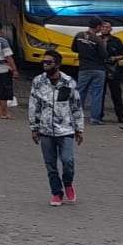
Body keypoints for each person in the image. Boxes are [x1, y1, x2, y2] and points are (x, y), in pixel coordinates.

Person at [28, 50, 85, 205]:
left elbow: (76, 106)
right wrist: (34, 127)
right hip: (45, 129)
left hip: (65, 129)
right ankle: (56, 192)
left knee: (68, 160)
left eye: (49, 62)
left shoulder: (69, 82)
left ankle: (67, 182)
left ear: (58, 64)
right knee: (50, 164)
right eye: (44, 62)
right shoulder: (38, 82)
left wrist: (79, 129)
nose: (45, 65)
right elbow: (34, 105)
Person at [71, 19, 110, 124]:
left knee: (80, 92)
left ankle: (76, 116)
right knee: (97, 94)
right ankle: (95, 118)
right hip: (98, 69)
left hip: (84, 68)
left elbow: (73, 49)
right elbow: (104, 55)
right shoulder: (98, 40)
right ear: (97, 27)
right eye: (100, 27)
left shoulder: (79, 35)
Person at [101, 21, 123, 123]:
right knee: (100, 94)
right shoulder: (97, 40)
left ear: (110, 29)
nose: (105, 29)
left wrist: (114, 58)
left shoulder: (116, 41)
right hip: (100, 69)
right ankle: (98, 115)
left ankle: (120, 116)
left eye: (107, 27)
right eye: (103, 27)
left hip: (113, 70)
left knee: (116, 94)